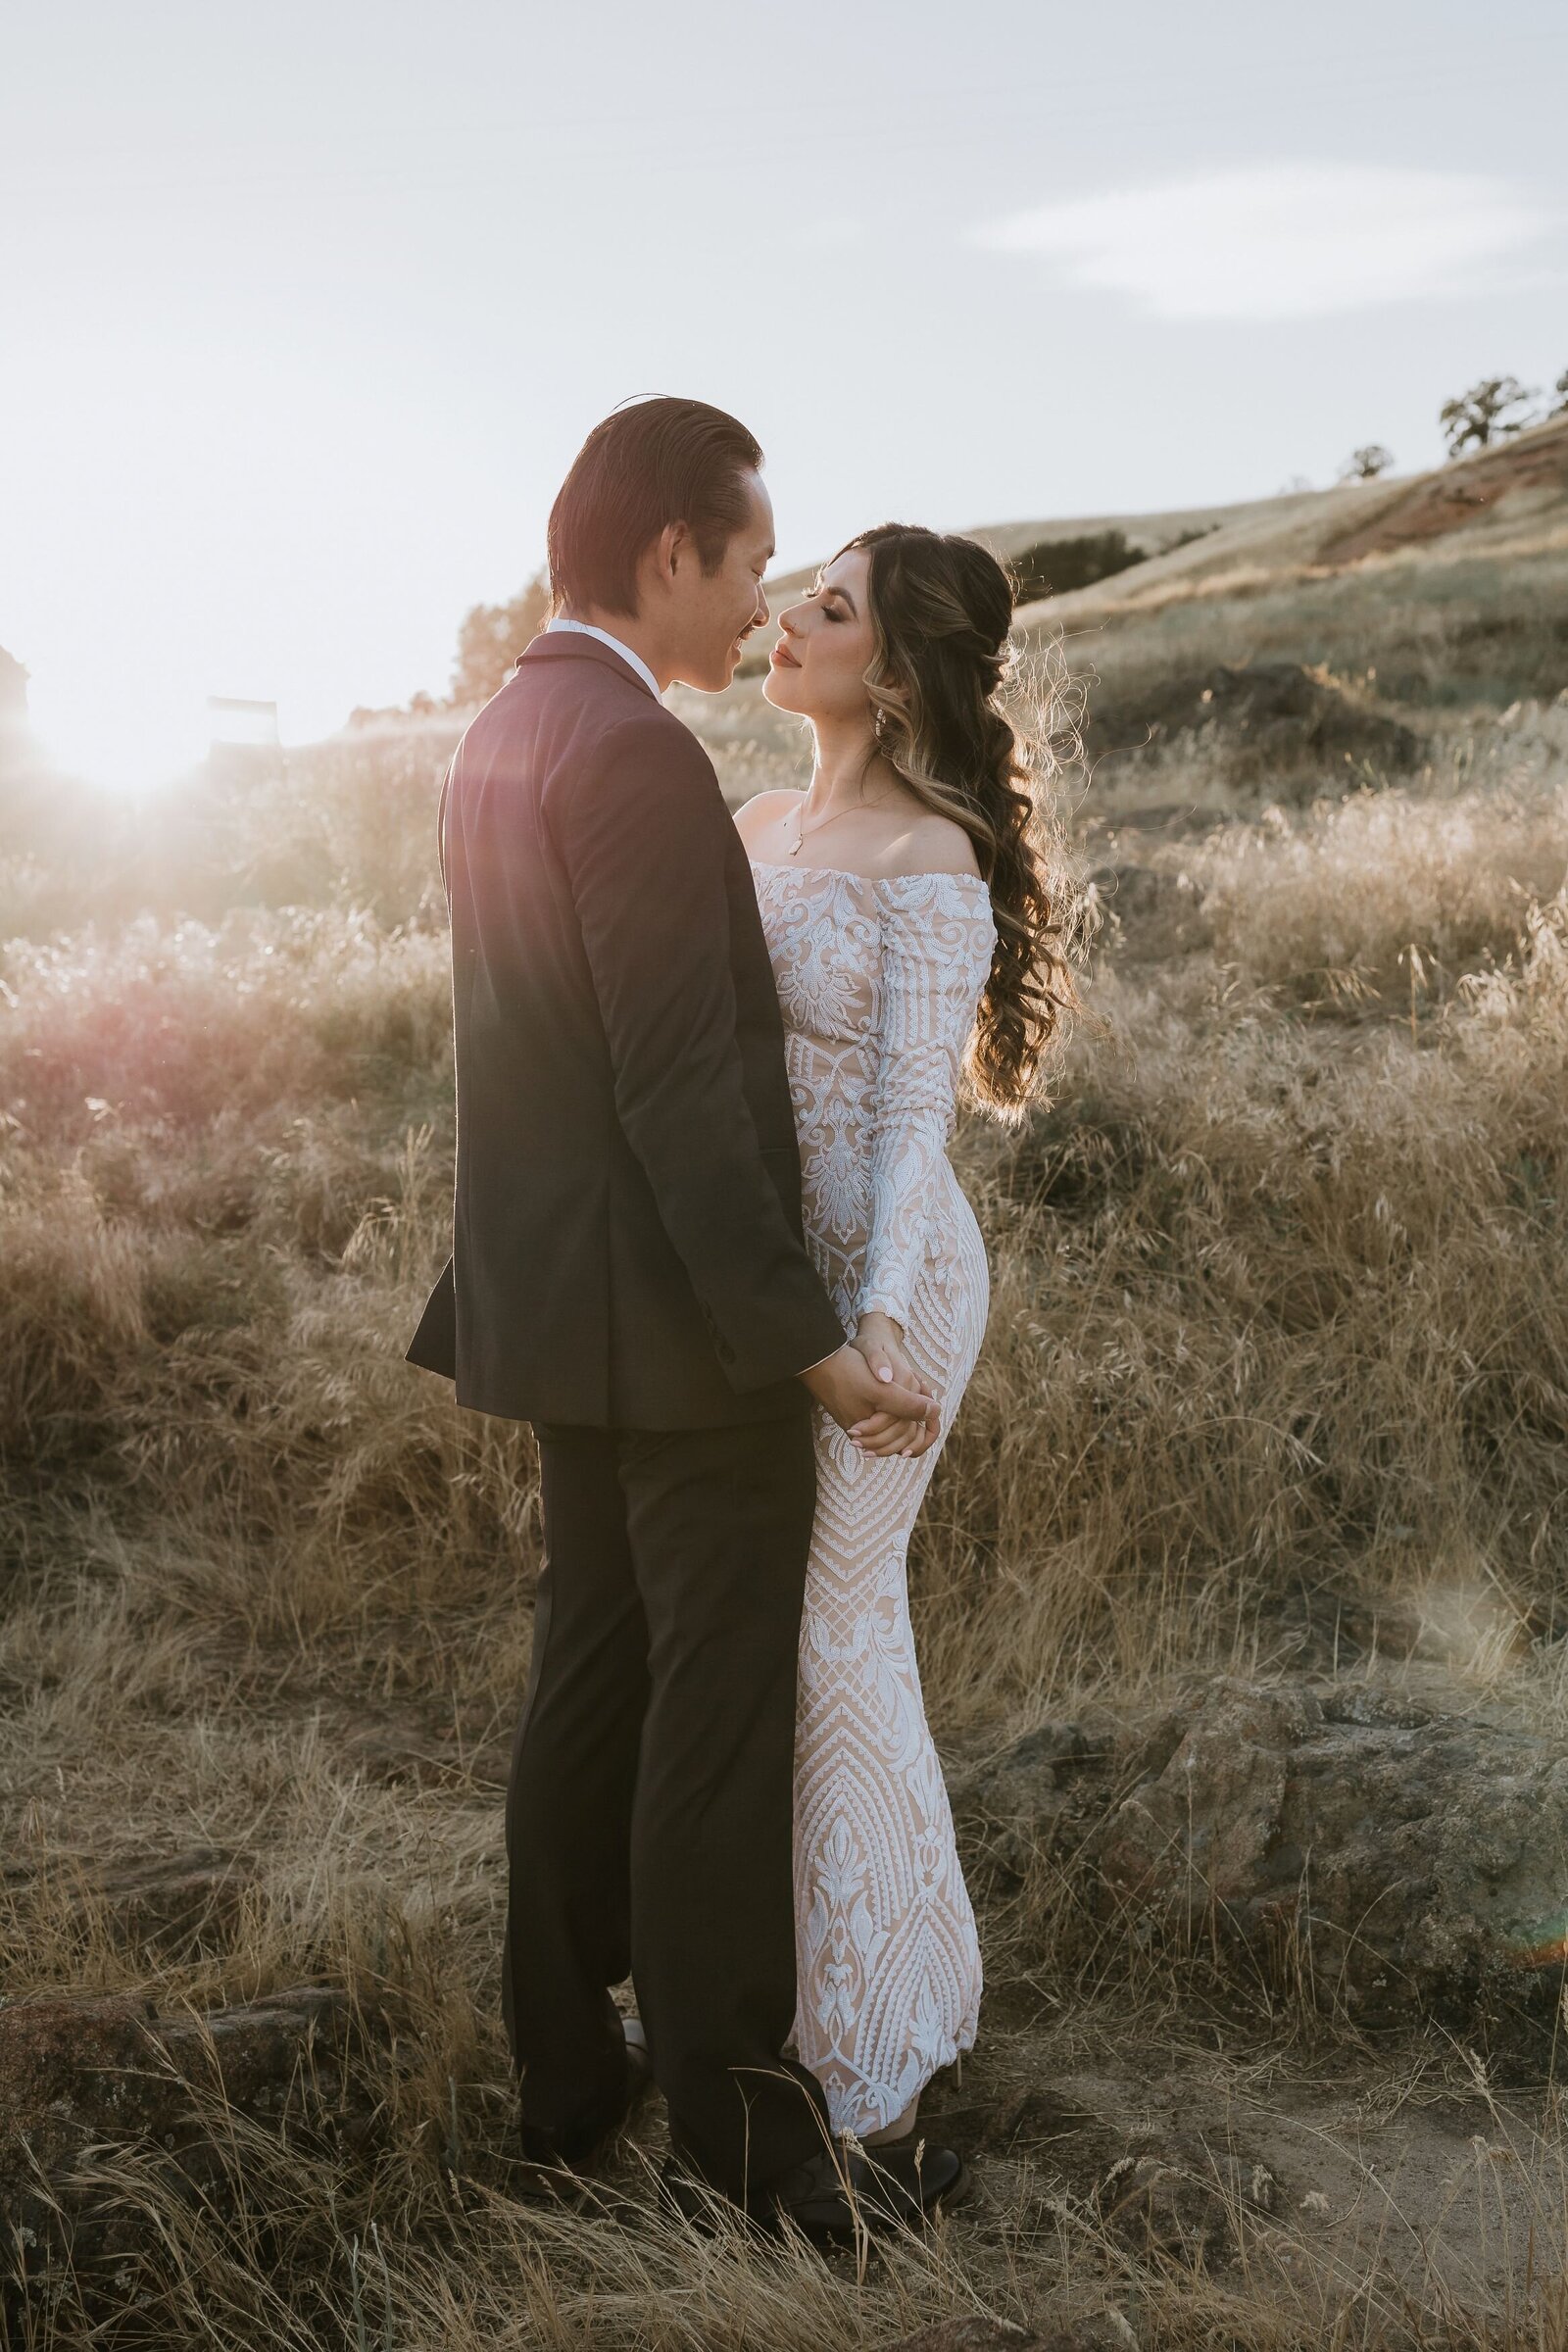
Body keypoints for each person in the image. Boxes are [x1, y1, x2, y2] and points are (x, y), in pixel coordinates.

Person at [406, 399, 949, 2236]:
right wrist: (803, 1341)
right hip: (683, 1332)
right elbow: (674, 1092)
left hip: (561, 1311)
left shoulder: (505, 725)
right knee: (711, 1731)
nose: (756, 608)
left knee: (592, 1685)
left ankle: (568, 2082)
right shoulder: (629, 752)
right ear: (668, 556)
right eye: (746, 565)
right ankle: (751, 2150)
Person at [735, 522, 1077, 2155]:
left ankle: (881, 2028)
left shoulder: (930, 860)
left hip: (893, 1285)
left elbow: (897, 1133)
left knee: (835, 1629)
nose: (789, 616)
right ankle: (779, 1987)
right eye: (802, 589)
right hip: (774, 1294)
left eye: (831, 606)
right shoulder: (747, 826)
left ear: (895, 666)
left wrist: (865, 1335)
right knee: (772, 1631)